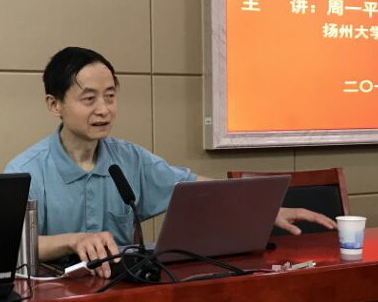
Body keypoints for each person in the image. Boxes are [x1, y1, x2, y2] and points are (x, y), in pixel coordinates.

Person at [5, 47, 336, 278]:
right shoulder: (27, 170)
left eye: (110, 96)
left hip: (123, 289)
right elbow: (8, 246)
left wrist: (264, 210)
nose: (104, 109)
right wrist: (74, 240)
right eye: (89, 99)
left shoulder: (129, 159)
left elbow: (196, 188)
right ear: (54, 104)